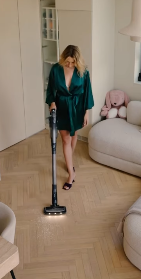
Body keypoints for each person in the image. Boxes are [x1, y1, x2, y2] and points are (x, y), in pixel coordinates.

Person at [46, 44, 94, 190]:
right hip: (61, 107)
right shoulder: (56, 69)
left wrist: (86, 113)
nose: (70, 65)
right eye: (67, 61)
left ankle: (69, 163)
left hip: (77, 108)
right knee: (66, 139)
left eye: (73, 62)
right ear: (63, 58)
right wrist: (52, 103)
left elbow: (87, 92)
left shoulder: (83, 71)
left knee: (74, 136)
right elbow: (50, 89)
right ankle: (71, 174)